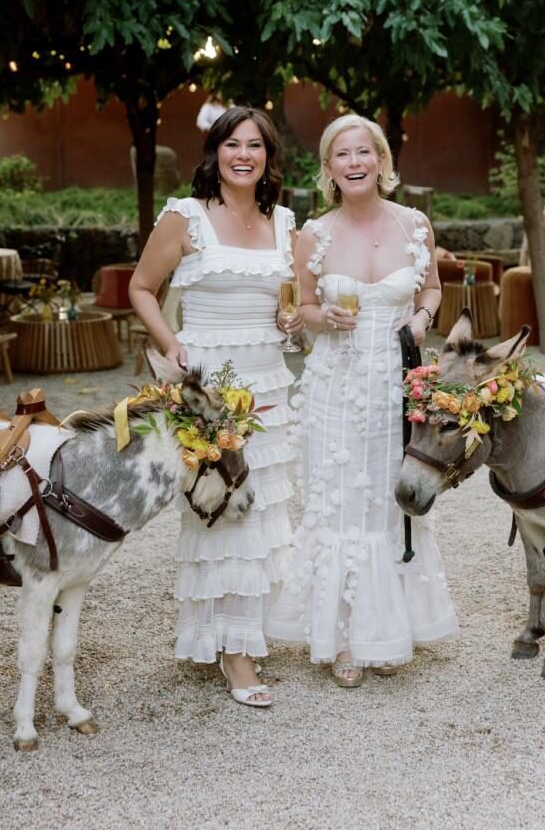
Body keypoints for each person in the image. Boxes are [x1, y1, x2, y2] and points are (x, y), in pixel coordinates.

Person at [266, 114, 458, 686]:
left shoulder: (415, 225)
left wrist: (423, 318)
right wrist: (320, 316)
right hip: (335, 386)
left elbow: (432, 287)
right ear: (328, 170)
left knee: (388, 498)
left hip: (397, 383)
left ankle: (392, 623)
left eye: (363, 153)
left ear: (380, 161)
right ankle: (344, 636)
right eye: (341, 156)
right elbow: (297, 311)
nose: (353, 163)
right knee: (342, 503)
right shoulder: (314, 236)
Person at [129, 106, 297, 708]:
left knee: (263, 512)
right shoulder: (186, 217)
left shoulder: (284, 223)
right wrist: (169, 343)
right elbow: (141, 288)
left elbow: (289, 308)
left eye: (255, 145)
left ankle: (245, 630)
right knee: (222, 510)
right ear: (215, 152)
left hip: (269, 387)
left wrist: (290, 320)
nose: (244, 155)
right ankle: (231, 651)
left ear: (268, 156)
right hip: (208, 388)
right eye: (232, 144)